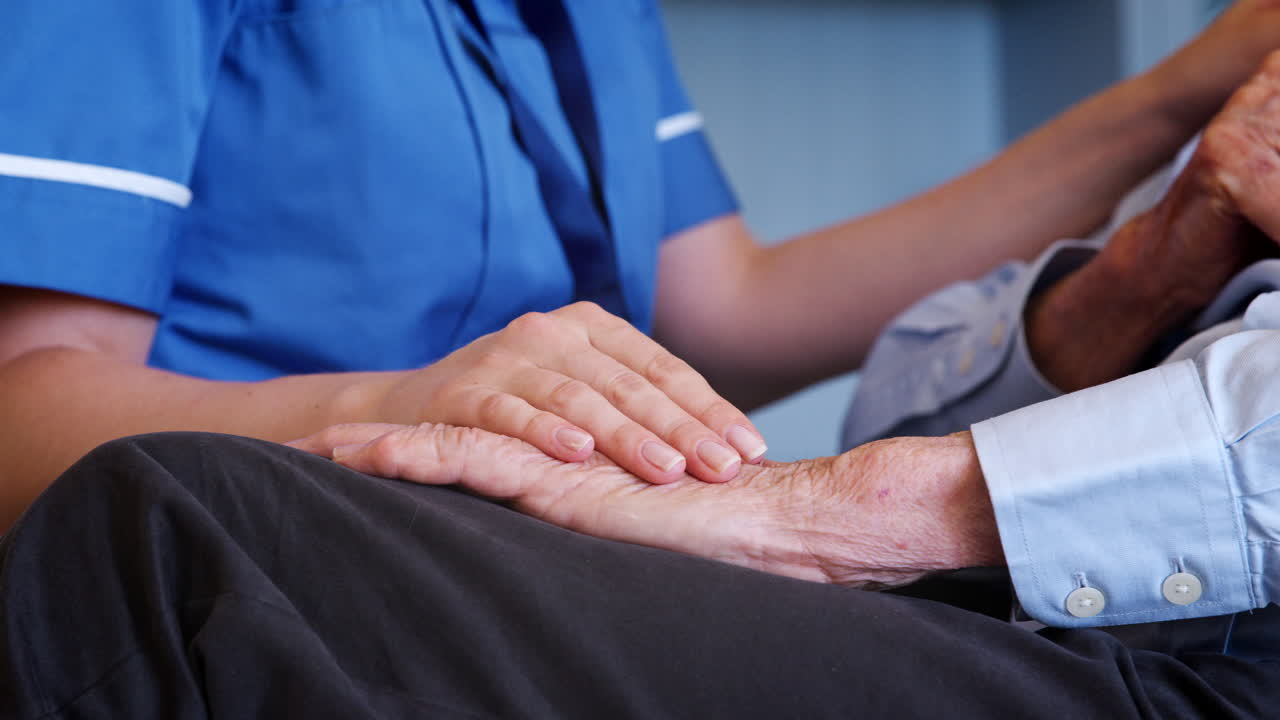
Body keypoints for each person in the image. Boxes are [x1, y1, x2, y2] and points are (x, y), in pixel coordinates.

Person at [3, 0, 1280, 716]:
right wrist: (410, 403)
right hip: (339, 510)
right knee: (177, 528)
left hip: (534, 535)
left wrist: (1171, 101)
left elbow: (716, 312)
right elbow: (27, 397)